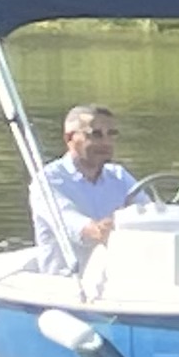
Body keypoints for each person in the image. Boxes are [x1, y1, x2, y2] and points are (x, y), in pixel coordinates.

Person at [28, 103, 140, 273]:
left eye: (111, 134)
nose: (106, 142)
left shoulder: (119, 176)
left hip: (115, 278)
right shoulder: (48, 181)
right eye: (95, 134)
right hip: (64, 282)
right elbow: (82, 231)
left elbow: (150, 212)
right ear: (69, 138)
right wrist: (111, 227)